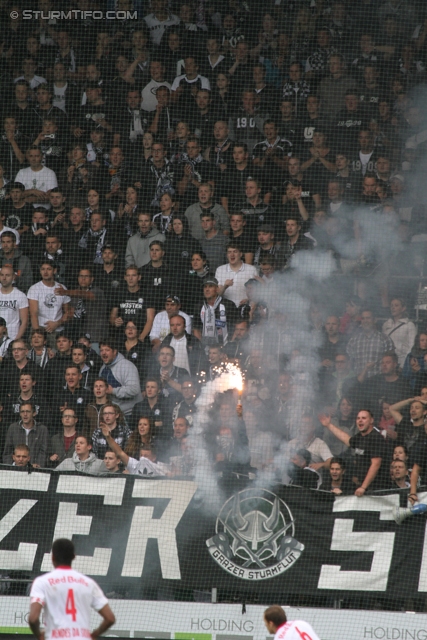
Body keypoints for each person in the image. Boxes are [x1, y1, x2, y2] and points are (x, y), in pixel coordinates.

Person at [29, 538, 115, 640]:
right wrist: (95, 634)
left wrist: (39, 635)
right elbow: (110, 618)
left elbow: (33, 619)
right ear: (73, 557)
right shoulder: (88, 583)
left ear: (52, 557)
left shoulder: (42, 582)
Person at [319, 409, 389, 495]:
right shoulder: (360, 437)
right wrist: (329, 425)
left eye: (363, 418)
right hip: (364, 488)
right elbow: (347, 439)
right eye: (358, 418)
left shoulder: (376, 438)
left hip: (377, 489)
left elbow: (376, 464)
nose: (360, 420)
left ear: (371, 420)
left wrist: (363, 487)